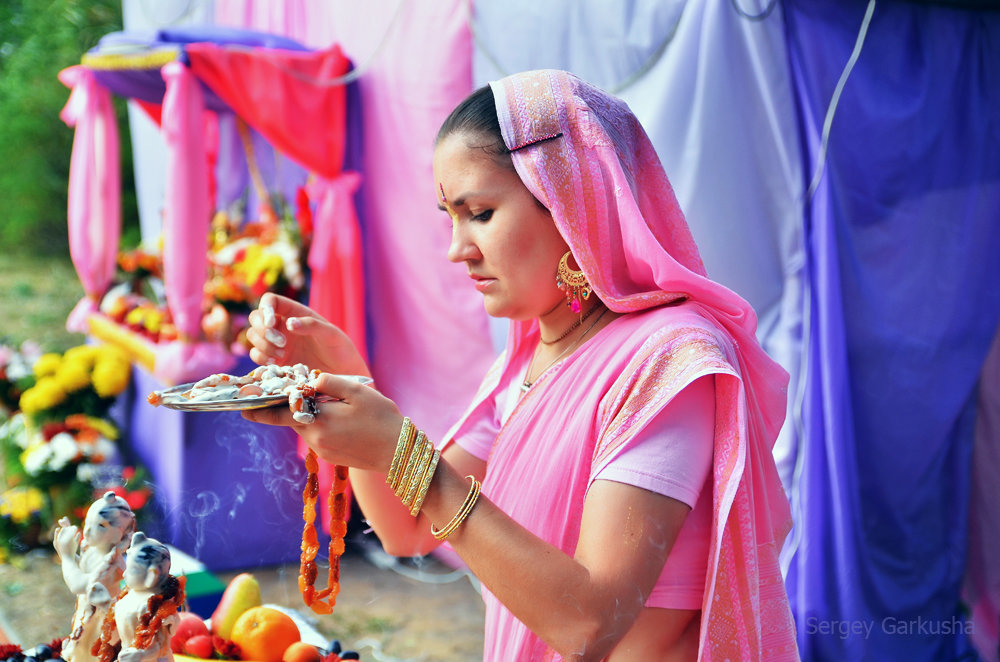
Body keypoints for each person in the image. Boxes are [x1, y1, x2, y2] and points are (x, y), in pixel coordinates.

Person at [244, 69, 797, 661]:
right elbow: (407, 530)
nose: (458, 248)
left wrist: (404, 451)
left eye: (479, 213)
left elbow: (589, 622)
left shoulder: (668, 361)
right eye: (449, 217)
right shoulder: (531, 356)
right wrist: (345, 376)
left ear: (570, 204)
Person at [53, 491, 136, 662]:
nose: (89, 530)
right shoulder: (95, 551)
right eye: (88, 521)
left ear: (121, 532)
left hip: (102, 621)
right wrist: (66, 553)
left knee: (93, 655)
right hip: (87, 616)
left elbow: (78, 583)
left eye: (101, 526)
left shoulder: (112, 564)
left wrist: (67, 556)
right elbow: (83, 568)